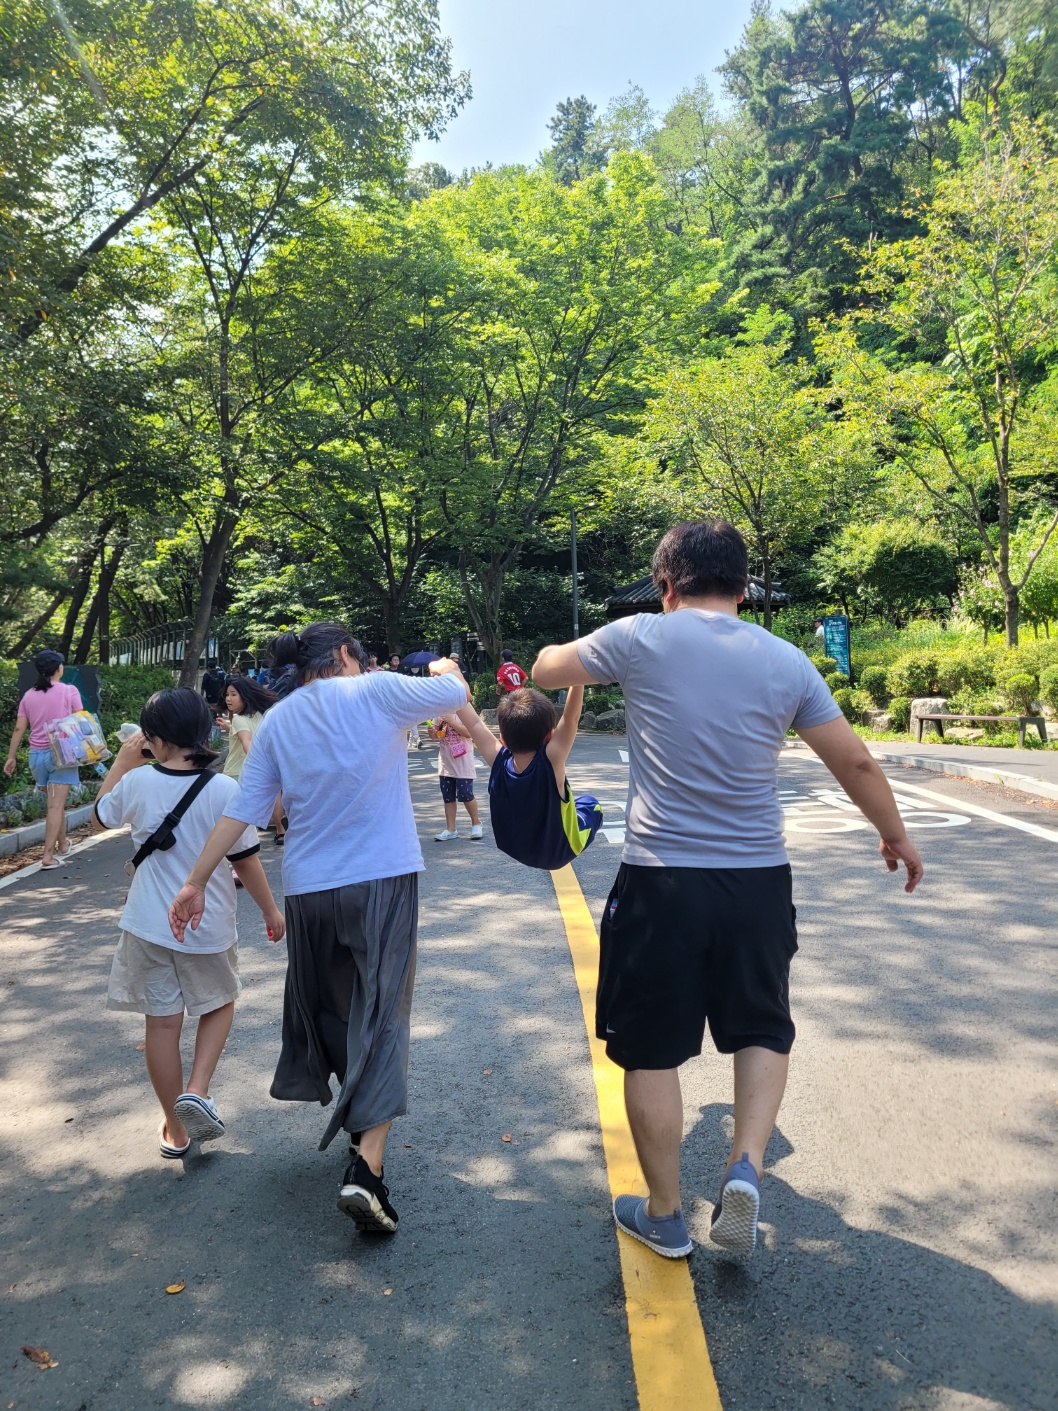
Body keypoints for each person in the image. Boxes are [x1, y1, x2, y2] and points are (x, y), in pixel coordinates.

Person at [532, 520, 924, 1261]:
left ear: (666, 585)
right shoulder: (785, 660)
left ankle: (665, 1215)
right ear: (744, 588)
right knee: (761, 1025)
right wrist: (895, 834)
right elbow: (855, 763)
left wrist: (580, 654)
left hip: (660, 882)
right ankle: (745, 1163)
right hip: (757, 882)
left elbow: (547, 668)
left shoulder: (640, 637)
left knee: (649, 1048)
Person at [168, 621, 469, 1236]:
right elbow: (454, 694)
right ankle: (368, 1169)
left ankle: (360, 1123)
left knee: (335, 1010)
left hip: (308, 889)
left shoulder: (279, 719)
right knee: (383, 1013)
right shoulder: (377, 689)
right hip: (381, 879)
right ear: (346, 654)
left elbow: (244, 811)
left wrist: (196, 880)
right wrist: (445, 666)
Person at [92, 688, 283, 1159]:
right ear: (204, 731)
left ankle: (176, 1131)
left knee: (161, 1026)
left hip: (147, 925)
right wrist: (270, 910)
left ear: (153, 738)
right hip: (207, 924)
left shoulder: (138, 782)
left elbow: (100, 817)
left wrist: (123, 761)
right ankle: (197, 1089)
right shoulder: (225, 790)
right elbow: (245, 860)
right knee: (219, 1002)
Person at [455, 684, 602, 869]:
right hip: (557, 852)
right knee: (591, 804)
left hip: (516, 849)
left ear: (503, 738)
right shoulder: (551, 761)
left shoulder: (498, 760)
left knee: (573, 804)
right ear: (550, 736)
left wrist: (450, 682)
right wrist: (578, 677)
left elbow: (474, 724)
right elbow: (570, 718)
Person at [4, 649, 83, 868]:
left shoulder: (29, 695)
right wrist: (91, 753)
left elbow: (19, 728)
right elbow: (80, 723)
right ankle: (47, 857)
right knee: (55, 806)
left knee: (55, 805)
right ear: (58, 668)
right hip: (61, 755)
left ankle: (63, 845)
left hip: (36, 757)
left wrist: (11, 757)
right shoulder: (69, 691)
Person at [217, 674, 284, 860]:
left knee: (232, 820)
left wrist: (254, 757)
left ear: (245, 696)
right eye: (227, 694)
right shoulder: (260, 715)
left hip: (235, 774)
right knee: (273, 798)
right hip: (261, 771)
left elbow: (246, 741)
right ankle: (281, 830)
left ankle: (236, 855)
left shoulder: (239, 719)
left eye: (233, 694)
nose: (228, 699)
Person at [428, 712, 482, 842]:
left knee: (465, 794)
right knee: (448, 797)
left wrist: (452, 721)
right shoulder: (440, 714)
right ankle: (451, 829)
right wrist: (432, 732)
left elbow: (469, 733)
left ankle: (476, 823)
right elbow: (436, 736)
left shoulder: (463, 712)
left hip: (463, 763)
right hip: (446, 763)